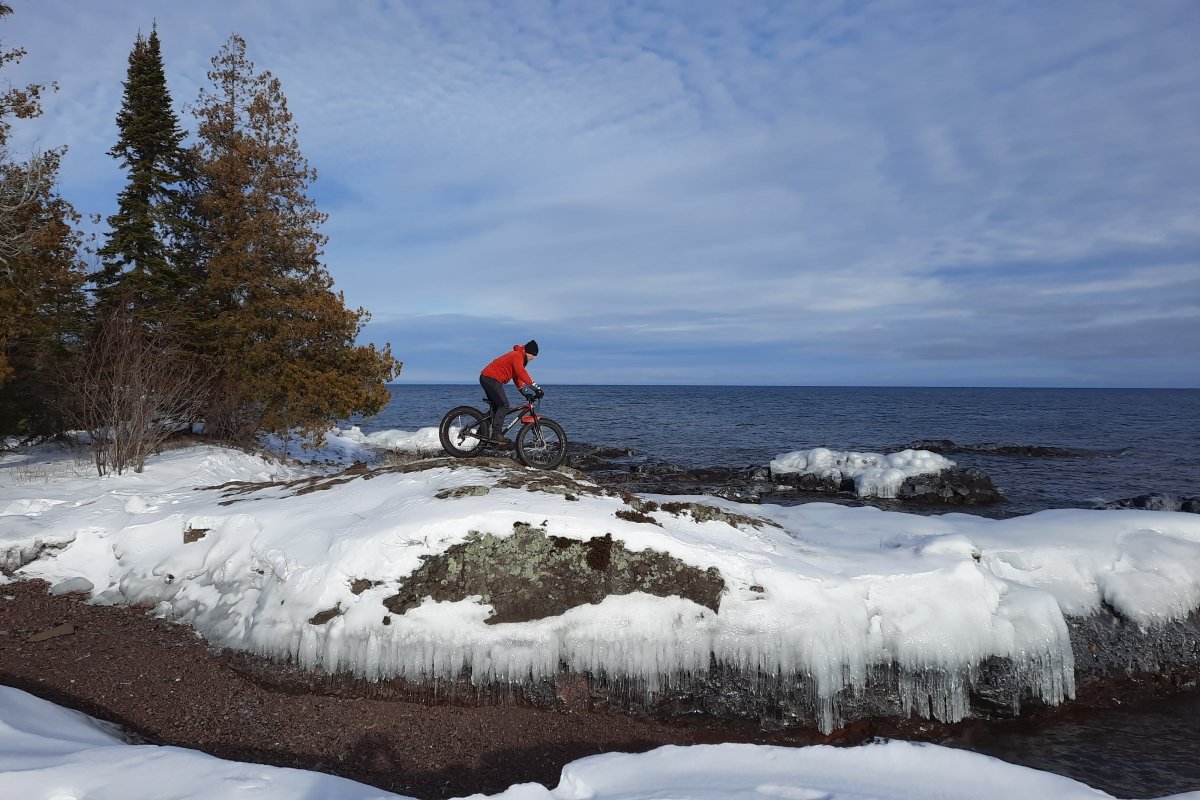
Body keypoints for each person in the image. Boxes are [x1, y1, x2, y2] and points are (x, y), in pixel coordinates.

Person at [479, 340, 543, 446]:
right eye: (533, 355)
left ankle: (481, 437)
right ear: (528, 352)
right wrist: (536, 388)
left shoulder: (520, 358)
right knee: (504, 405)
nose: (534, 358)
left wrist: (525, 392)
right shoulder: (517, 355)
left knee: (495, 411)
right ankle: (496, 435)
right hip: (490, 378)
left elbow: (517, 378)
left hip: (488, 378)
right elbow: (521, 373)